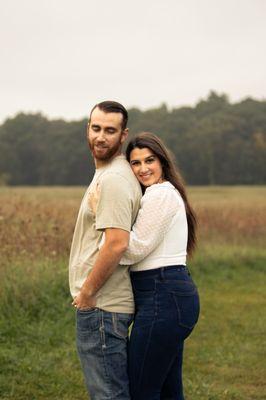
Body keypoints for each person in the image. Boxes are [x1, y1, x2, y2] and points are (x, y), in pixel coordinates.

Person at [69, 101, 142, 400]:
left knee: (108, 395)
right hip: (104, 305)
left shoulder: (113, 179)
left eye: (110, 131)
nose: (101, 136)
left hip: (102, 306)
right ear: (87, 129)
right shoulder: (109, 173)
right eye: (96, 128)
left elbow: (116, 242)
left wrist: (87, 293)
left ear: (123, 135)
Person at [120, 132, 200, 400]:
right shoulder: (163, 193)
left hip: (163, 297)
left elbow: (133, 248)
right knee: (167, 389)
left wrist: (102, 245)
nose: (143, 169)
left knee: (142, 389)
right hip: (167, 298)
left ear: (162, 161)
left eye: (149, 160)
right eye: (135, 163)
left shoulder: (160, 194)